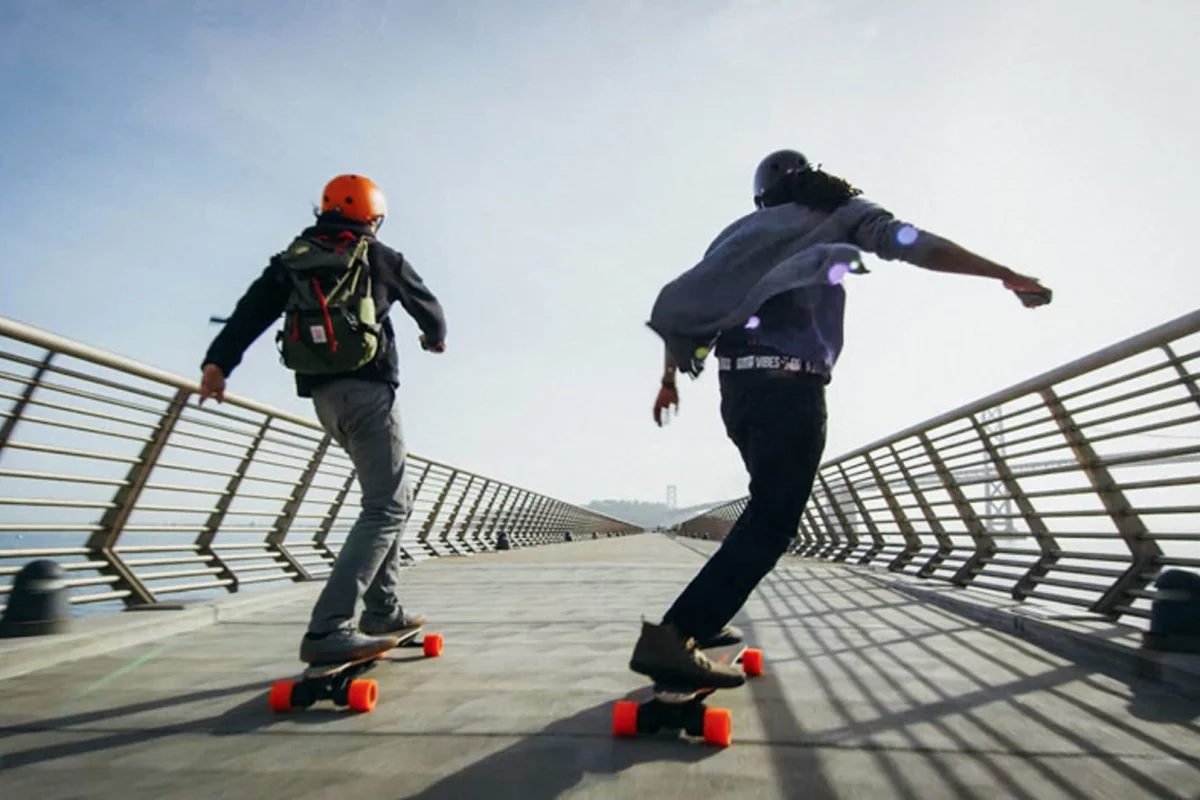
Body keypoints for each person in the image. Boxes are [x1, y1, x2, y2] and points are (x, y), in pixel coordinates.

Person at [631, 149, 1051, 688]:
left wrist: (669, 379)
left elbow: (697, 304)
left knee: (764, 508)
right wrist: (1003, 274)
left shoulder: (740, 232)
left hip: (738, 392)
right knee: (773, 520)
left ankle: (702, 622)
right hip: (791, 386)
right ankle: (676, 634)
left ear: (762, 196)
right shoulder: (842, 211)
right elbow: (912, 243)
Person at [197, 174, 448, 664]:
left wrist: (217, 364)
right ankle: (329, 628)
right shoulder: (380, 256)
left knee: (390, 499)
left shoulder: (292, 261)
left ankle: (383, 609)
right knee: (387, 507)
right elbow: (431, 310)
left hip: (324, 400)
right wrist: (433, 338)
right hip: (370, 392)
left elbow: (249, 313)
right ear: (373, 218)